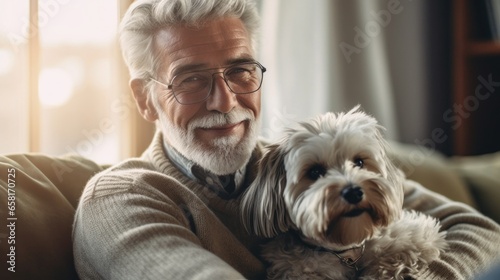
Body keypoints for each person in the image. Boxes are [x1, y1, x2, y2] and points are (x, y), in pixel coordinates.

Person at [72, 0, 500, 279]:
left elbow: (482, 232)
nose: (225, 100)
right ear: (145, 99)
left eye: (240, 70)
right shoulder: (122, 197)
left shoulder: (290, 160)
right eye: (190, 79)